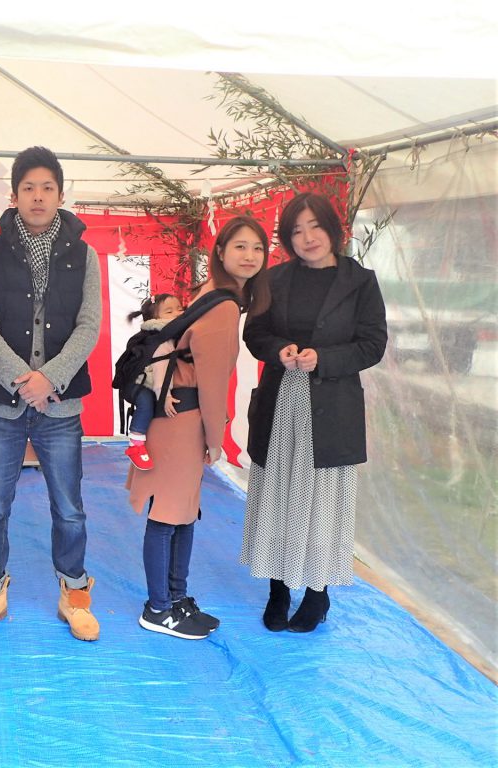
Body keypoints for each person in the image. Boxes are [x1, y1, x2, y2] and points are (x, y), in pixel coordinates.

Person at [0, 146, 103, 642]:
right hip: (3, 403)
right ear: (14, 194)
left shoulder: (85, 255)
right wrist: (24, 378)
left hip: (61, 405)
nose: (38, 197)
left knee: (69, 507)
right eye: (28, 188)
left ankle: (74, 591)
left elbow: (89, 326)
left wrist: (52, 378)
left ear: (61, 194)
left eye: (47, 188)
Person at [240, 192, 387, 633]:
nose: (308, 238)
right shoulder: (275, 278)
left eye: (315, 226)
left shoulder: (361, 282)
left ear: (332, 228)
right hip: (281, 402)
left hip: (331, 409)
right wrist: (277, 350)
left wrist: (323, 358)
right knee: (278, 496)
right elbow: (256, 333)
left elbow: (372, 344)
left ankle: (317, 593)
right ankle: (278, 588)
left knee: (321, 501)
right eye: (296, 231)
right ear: (287, 238)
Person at [126, 215, 269, 640]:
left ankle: (175, 597)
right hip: (181, 425)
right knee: (170, 515)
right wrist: (215, 438)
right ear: (220, 252)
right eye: (239, 246)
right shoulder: (223, 305)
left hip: (177, 424)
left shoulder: (213, 296)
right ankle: (159, 607)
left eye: (258, 248)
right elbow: (212, 382)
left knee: (183, 513)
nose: (249, 255)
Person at [124, 293, 185, 470]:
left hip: (142, 382)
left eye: (180, 308)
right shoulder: (163, 340)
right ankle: (135, 444)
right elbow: (161, 375)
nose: (177, 313)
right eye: (169, 311)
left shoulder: (165, 334)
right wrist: (165, 396)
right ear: (155, 318)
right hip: (138, 384)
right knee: (147, 402)